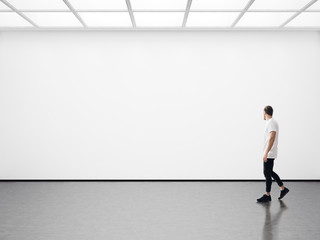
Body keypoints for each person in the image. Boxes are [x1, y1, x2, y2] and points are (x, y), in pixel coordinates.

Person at [257, 106, 289, 202]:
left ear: (265, 113)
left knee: (267, 172)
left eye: (263, 112)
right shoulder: (270, 122)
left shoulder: (271, 123)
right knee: (269, 172)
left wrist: (266, 152)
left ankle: (268, 195)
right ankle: (283, 188)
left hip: (270, 152)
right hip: (269, 151)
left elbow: (272, 137)